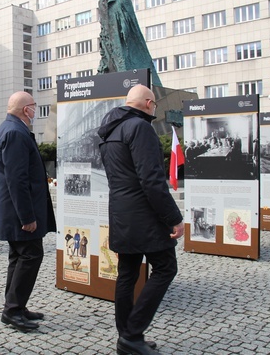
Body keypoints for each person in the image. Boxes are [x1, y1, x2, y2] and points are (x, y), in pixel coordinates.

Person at [98, 84, 184, 355]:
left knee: (127, 272)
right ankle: (132, 334)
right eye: (155, 104)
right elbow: (152, 180)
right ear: (148, 103)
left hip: (121, 212)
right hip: (143, 213)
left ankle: (127, 336)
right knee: (165, 267)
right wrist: (174, 218)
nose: (155, 108)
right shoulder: (140, 128)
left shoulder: (110, 130)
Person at [0, 91, 56, 332]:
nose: (35, 110)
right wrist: (27, 217)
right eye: (33, 106)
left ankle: (15, 306)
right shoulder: (15, 132)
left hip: (14, 211)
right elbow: (17, 179)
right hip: (18, 213)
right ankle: (12, 310)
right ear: (24, 109)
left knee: (19, 257)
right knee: (30, 255)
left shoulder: (12, 129)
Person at [97, 0, 161, 87]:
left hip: (122, 41)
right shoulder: (101, 3)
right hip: (108, 44)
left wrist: (124, 30)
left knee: (125, 72)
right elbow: (103, 26)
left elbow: (132, 23)